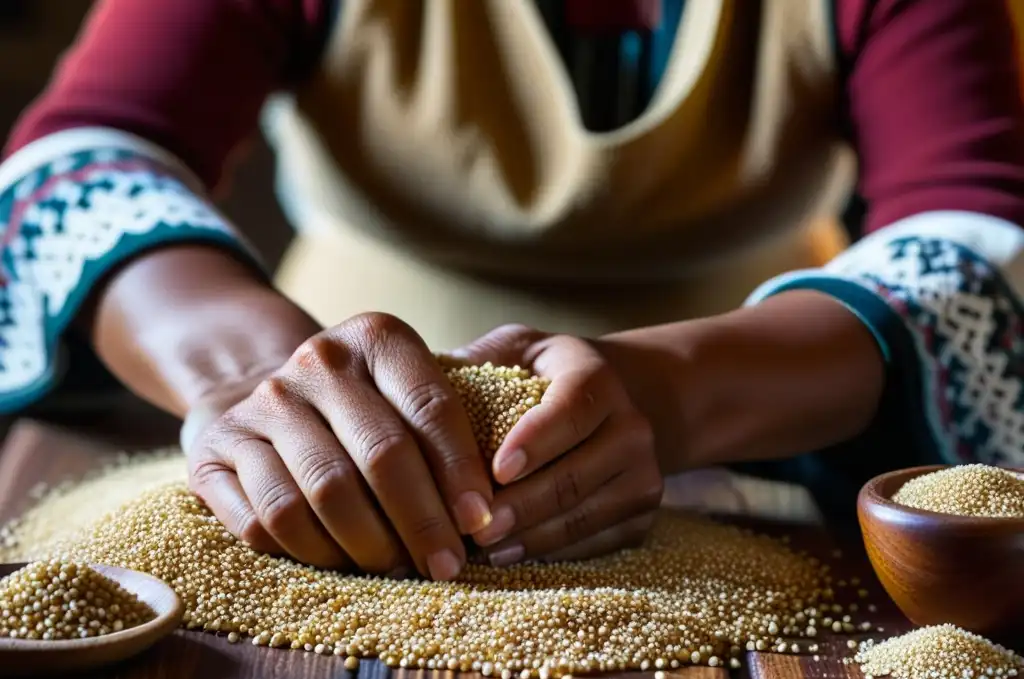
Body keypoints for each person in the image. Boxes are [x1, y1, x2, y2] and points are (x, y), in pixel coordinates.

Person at [1, 0, 1023, 581]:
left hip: (754, 419)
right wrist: (265, 378)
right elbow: (89, 155)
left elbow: (982, 234)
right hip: (311, 414)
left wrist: (666, 395)